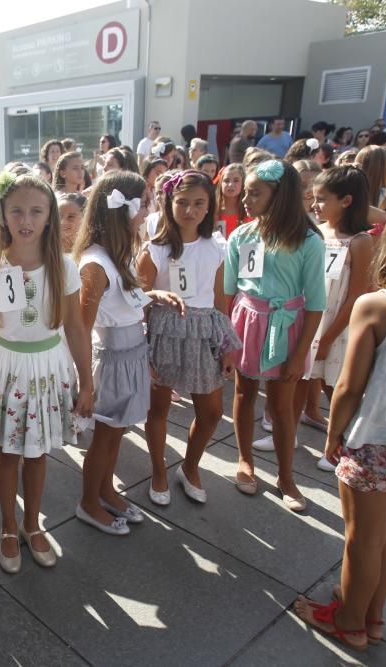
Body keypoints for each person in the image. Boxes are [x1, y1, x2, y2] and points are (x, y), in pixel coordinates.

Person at [294, 191, 386, 650]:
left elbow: (347, 387)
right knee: (384, 532)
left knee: (360, 539)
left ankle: (349, 620)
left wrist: (333, 431)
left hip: (377, 440)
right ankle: (375, 615)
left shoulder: (379, 305)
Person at [0, 173, 90, 572]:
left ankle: (33, 524)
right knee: (6, 452)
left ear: (50, 215)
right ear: (1, 212)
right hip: (4, 368)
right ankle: (7, 525)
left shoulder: (65, 267)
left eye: (36, 210)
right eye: (16, 210)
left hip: (47, 368)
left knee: (37, 453)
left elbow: (75, 326)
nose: (26, 219)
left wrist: (87, 380)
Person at [71, 171, 184, 534]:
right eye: (145, 203)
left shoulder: (119, 253)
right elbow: (81, 328)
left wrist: (151, 296)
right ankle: (88, 502)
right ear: (124, 210)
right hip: (112, 360)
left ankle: (106, 490)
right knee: (104, 438)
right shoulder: (95, 264)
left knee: (117, 434)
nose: (149, 211)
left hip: (132, 352)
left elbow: (120, 302)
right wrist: (85, 385)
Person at [225, 159, 326, 512]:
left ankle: (286, 476)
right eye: (246, 192)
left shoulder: (310, 241)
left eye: (255, 192)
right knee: (243, 391)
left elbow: (316, 303)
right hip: (246, 322)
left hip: (287, 328)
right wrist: (225, 338)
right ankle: (245, 460)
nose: (245, 198)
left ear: (279, 195)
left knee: (283, 406)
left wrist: (299, 353)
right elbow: (228, 290)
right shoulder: (241, 236)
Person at [139, 170, 240, 506]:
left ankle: (190, 466)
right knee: (158, 408)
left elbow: (219, 296)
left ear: (210, 205)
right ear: (169, 203)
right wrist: (144, 336)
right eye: (182, 202)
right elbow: (138, 297)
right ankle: (158, 470)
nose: (190, 210)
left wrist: (228, 344)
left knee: (211, 410)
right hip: (165, 330)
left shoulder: (217, 246)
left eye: (199, 203)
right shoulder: (155, 248)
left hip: (204, 332)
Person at [299, 167, 374, 472]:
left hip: (337, 326)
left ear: (346, 201)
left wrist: (328, 337)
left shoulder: (360, 241)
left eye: (321, 199)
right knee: (306, 379)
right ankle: (291, 432)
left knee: (336, 387)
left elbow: (356, 294)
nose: (315, 205)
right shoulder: (316, 231)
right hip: (310, 320)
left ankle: (342, 442)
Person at [215, 163, 248, 238]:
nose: (230, 184)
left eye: (236, 180)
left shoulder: (250, 211)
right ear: (221, 184)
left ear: (243, 183)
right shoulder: (213, 210)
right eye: (226, 180)